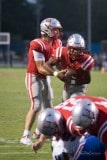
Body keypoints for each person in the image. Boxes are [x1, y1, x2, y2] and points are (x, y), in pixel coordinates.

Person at [20, 17, 66, 145]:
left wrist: (64, 71)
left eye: (58, 29)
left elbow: (57, 62)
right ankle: (25, 135)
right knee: (36, 105)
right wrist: (57, 73)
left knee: (49, 107)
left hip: (45, 77)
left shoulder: (57, 43)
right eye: (55, 29)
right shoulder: (37, 44)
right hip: (34, 75)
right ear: (47, 29)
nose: (57, 32)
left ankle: (39, 131)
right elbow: (40, 68)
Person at [32, 108, 106, 160]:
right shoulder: (53, 116)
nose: (54, 136)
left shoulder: (74, 125)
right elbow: (49, 126)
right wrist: (41, 141)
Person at [44, 33, 94, 101]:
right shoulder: (61, 52)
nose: (76, 52)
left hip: (80, 86)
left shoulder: (86, 60)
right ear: (68, 47)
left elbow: (87, 80)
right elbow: (46, 64)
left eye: (79, 49)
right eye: (74, 49)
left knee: (74, 103)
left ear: (82, 49)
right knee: (65, 105)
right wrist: (57, 74)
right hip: (67, 86)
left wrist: (74, 75)